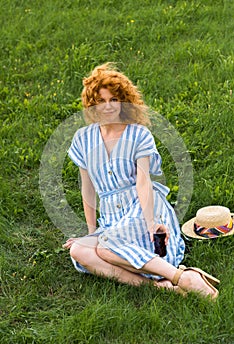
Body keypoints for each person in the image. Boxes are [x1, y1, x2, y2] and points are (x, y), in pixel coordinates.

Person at [63, 63, 219, 299]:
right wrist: (91, 232)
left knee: (106, 248)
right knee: (79, 250)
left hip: (143, 205)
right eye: (101, 101)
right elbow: (88, 188)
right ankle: (163, 287)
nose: (107, 107)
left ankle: (182, 278)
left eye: (114, 99)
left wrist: (150, 223)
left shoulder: (138, 134)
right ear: (92, 104)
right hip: (112, 217)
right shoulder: (83, 139)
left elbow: (143, 183)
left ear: (123, 100)